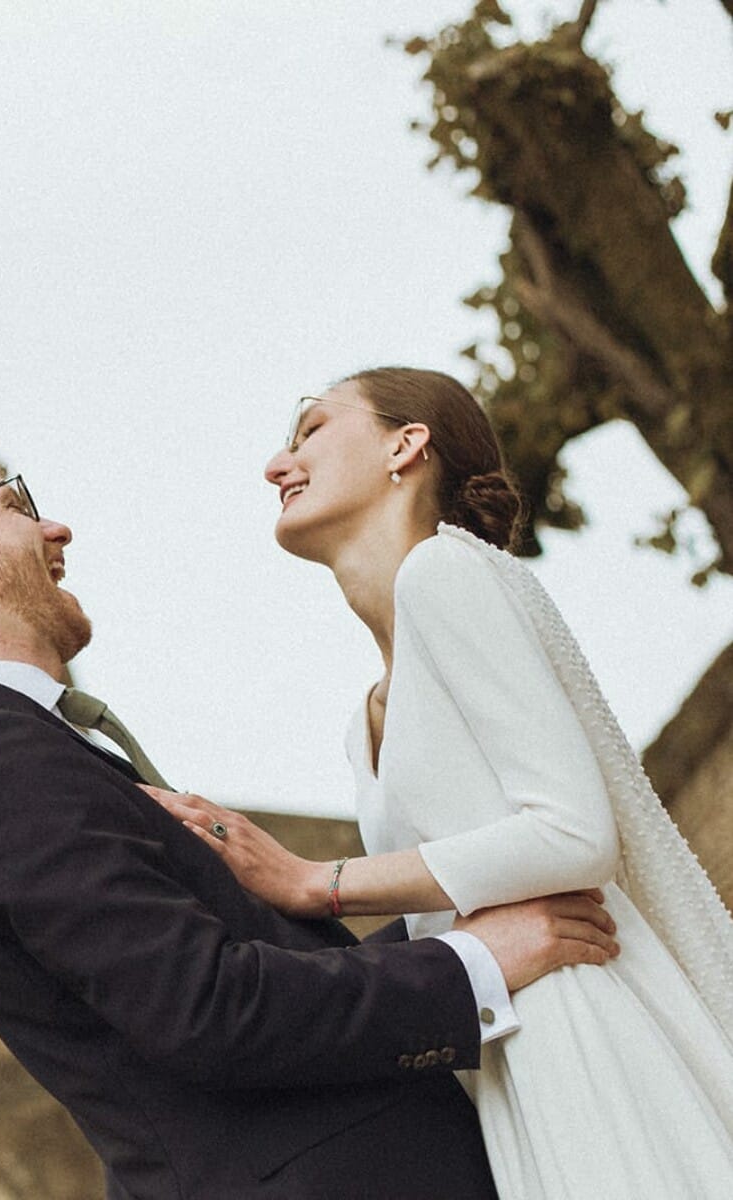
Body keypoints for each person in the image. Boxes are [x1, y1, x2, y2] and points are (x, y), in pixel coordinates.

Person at [0, 433, 618, 1199]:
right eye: (16, 506)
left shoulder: (15, 748)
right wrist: (471, 964)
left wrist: (445, 920)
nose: (56, 529)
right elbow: (210, 1011)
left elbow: (233, 980)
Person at [155, 367, 733, 1198]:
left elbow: (574, 833)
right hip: (501, 1061)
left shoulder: (443, 574)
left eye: (311, 430)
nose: (277, 465)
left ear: (406, 445)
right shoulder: (365, 718)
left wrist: (316, 882)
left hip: (581, 1028)